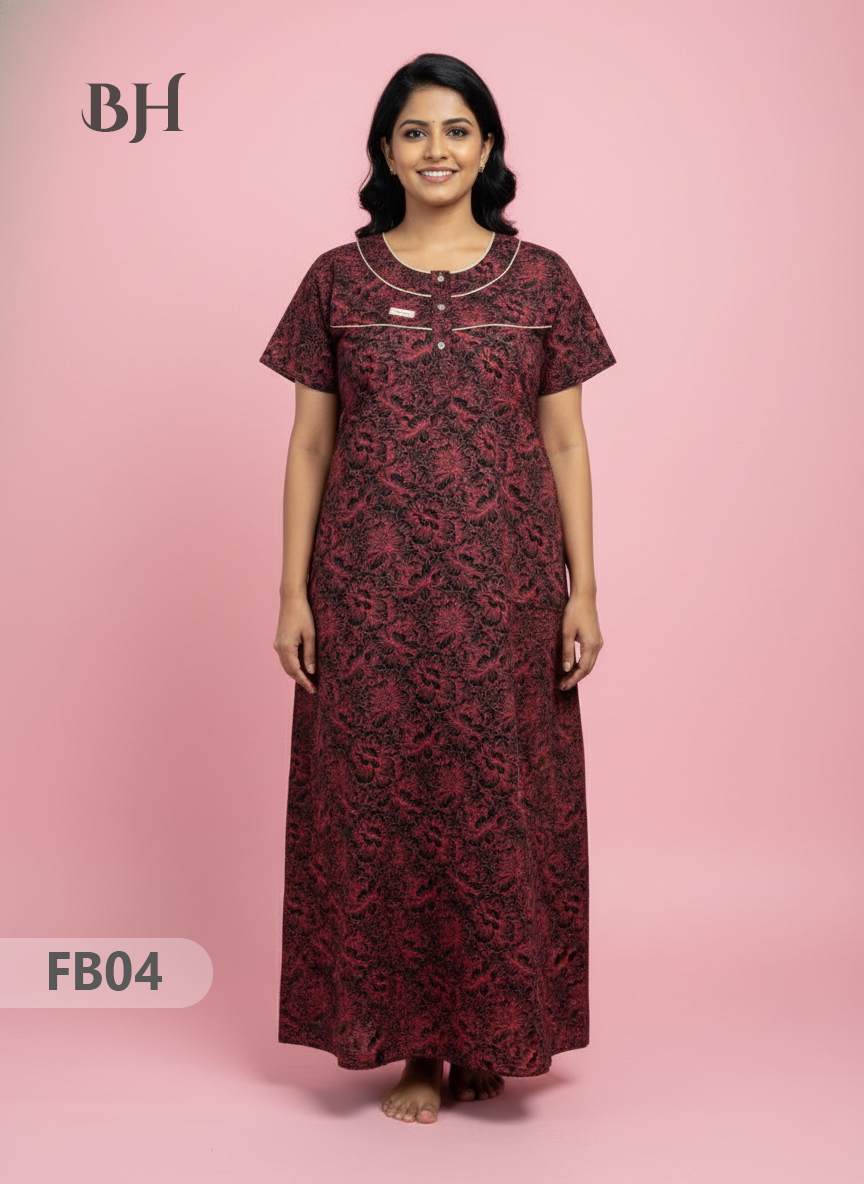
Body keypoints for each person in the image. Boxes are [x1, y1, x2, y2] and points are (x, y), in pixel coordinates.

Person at [259, 52, 617, 1125]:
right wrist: (292, 592)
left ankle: (490, 1036)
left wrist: (584, 588)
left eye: (457, 130)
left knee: (498, 804)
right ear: (385, 149)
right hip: (366, 593)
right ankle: (414, 1049)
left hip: (508, 590)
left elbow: (565, 441)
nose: (436, 150)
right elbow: (310, 445)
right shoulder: (337, 277)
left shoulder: (542, 278)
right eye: (414, 131)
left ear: (489, 146)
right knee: (384, 808)